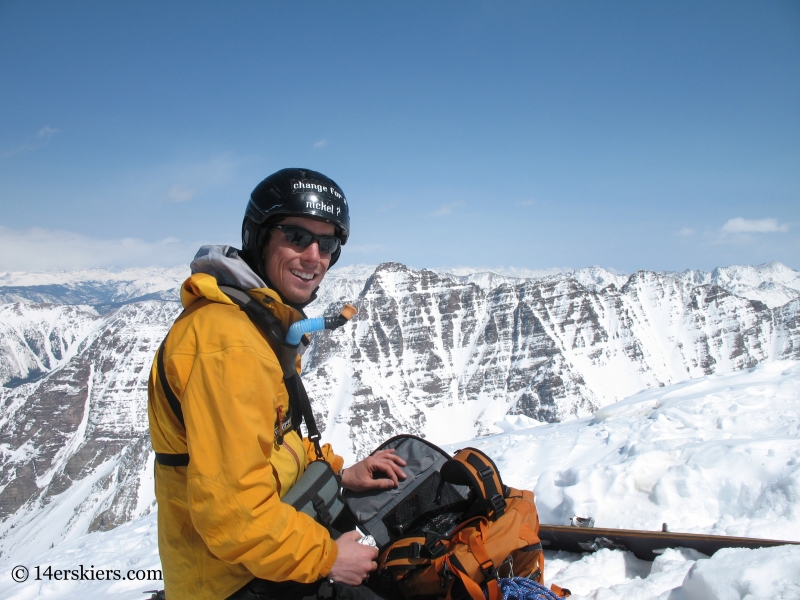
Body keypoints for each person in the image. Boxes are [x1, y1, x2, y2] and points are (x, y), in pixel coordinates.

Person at [148, 168, 406, 600]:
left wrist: (340, 475)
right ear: (260, 238)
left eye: (327, 244)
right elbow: (232, 516)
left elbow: (277, 439)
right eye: (297, 236)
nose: (314, 256)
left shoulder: (256, 322)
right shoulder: (226, 343)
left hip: (265, 557)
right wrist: (328, 557)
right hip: (232, 582)